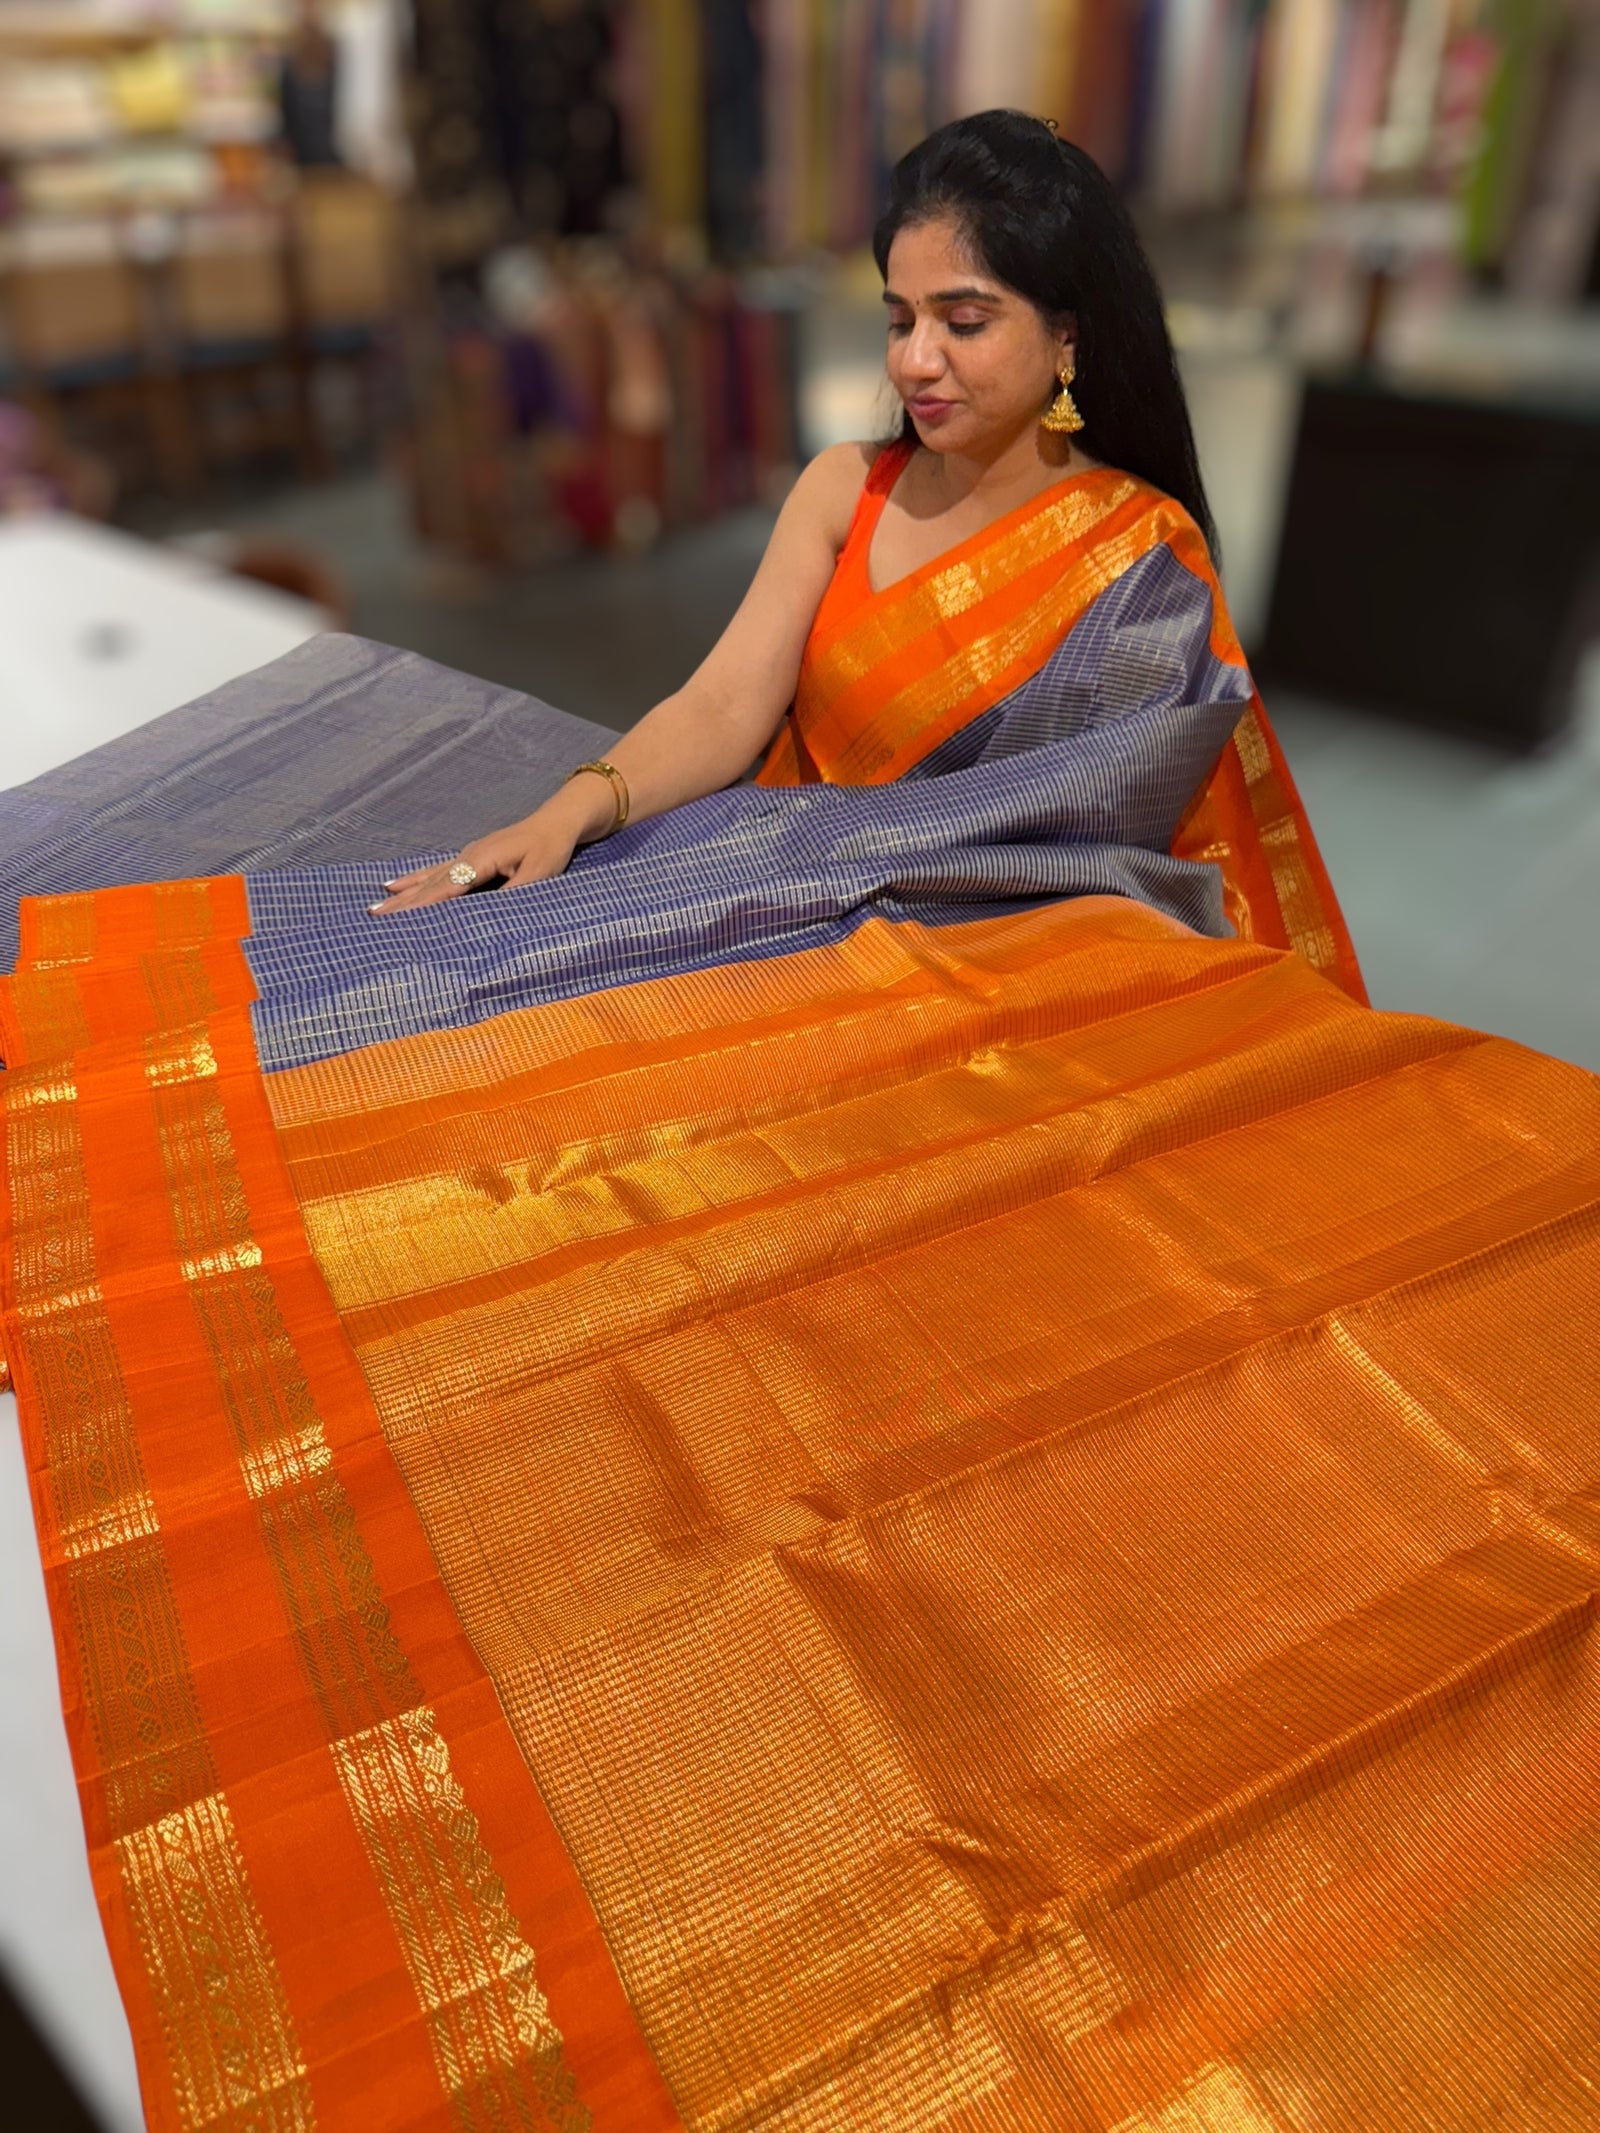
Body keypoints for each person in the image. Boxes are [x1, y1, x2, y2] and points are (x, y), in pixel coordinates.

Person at [371, 109, 1332, 986]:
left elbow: (1110, 858)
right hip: (772, 906)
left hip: (991, 977)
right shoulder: (848, 485)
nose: (916, 359)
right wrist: (564, 815)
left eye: (964, 321)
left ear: (1068, 338)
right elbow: (723, 701)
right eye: (898, 319)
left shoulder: (1136, 559)